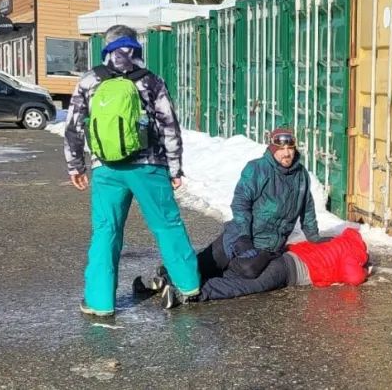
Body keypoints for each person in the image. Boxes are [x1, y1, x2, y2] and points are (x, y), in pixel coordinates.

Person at [64, 24, 201, 316]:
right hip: (149, 167)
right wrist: (175, 167)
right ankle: (188, 285)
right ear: (136, 46)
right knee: (167, 225)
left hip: (107, 168)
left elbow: (74, 124)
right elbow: (168, 125)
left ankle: (99, 302)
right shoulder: (150, 80)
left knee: (106, 231)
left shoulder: (90, 80)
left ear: (107, 46)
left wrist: (76, 164)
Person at [134, 128, 337, 308]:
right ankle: (160, 280)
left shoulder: (300, 175)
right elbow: (241, 202)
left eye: (290, 148)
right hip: (238, 236)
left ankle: (184, 293)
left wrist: (314, 235)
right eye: (281, 148)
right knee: (205, 265)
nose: (286, 153)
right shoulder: (258, 169)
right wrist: (242, 236)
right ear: (273, 149)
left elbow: (307, 206)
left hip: (266, 247)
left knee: (247, 279)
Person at [133, 227, 371, 305]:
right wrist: (365, 269)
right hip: (289, 270)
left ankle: (170, 277)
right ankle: (186, 293)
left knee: (230, 269)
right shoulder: (354, 251)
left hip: (280, 254)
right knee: (239, 285)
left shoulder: (337, 240)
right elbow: (353, 277)